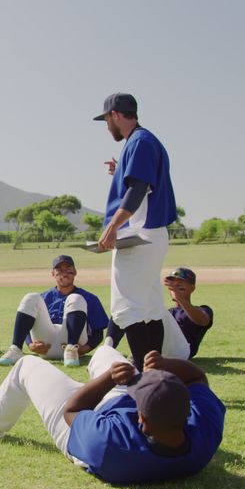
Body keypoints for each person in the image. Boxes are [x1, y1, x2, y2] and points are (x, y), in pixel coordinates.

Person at [0, 346, 225, 485]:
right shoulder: (203, 429)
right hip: (118, 406)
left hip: (78, 419)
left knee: (27, 365)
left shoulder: (109, 443)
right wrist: (165, 365)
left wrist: (109, 380)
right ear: (186, 411)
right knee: (105, 352)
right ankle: (107, 366)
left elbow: (73, 410)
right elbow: (197, 377)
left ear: (142, 421)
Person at [94, 93, 178, 370]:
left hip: (138, 237)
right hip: (152, 236)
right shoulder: (144, 141)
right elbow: (139, 182)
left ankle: (143, 375)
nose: (107, 127)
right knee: (151, 307)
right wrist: (121, 172)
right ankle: (156, 373)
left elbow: (138, 188)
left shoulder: (139, 142)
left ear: (115, 115)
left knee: (126, 308)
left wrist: (112, 226)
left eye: (106, 119)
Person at [0, 254, 109, 368]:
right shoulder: (43, 298)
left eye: (68, 270)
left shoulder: (90, 298)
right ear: (53, 274)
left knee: (76, 298)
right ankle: (15, 349)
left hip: (75, 347)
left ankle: (71, 349)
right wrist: (31, 345)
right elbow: (27, 326)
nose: (64, 273)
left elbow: (98, 333)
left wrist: (85, 348)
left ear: (75, 272)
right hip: (46, 346)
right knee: (31, 297)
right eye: (59, 270)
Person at [105, 267, 214, 360]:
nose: (176, 286)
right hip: (160, 350)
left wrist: (179, 297)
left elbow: (202, 321)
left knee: (151, 310)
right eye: (173, 284)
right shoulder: (168, 312)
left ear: (192, 288)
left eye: (181, 284)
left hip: (182, 351)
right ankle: (107, 349)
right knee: (124, 308)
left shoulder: (202, 309)